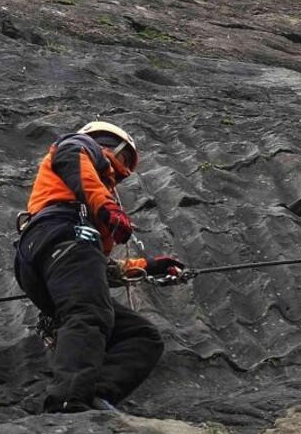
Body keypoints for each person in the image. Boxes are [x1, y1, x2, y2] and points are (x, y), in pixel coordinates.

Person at [13, 122, 183, 413]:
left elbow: (96, 268)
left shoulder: (88, 191)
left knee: (142, 335)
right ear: (107, 143)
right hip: (62, 238)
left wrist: (150, 266)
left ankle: (96, 396)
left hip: (47, 259)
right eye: (124, 157)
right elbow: (73, 157)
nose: (124, 166)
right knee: (88, 313)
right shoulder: (77, 147)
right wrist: (107, 207)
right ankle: (67, 402)